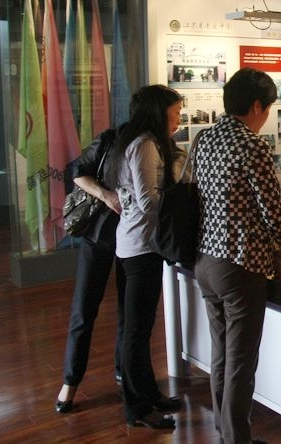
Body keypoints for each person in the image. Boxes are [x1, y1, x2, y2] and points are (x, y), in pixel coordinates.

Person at [193, 67, 281, 444]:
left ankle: (225, 430)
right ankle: (236, 439)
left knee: (221, 354)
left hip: (205, 259)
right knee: (240, 363)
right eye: (268, 108)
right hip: (240, 263)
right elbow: (271, 208)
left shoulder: (205, 137)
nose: (266, 116)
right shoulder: (253, 145)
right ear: (255, 106)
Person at [107, 84, 185, 429]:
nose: (178, 119)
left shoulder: (140, 142)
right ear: (159, 112)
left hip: (137, 244)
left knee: (138, 328)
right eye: (175, 112)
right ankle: (136, 407)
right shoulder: (145, 145)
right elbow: (148, 201)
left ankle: (149, 394)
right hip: (141, 246)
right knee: (136, 331)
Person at [55, 127, 124, 414]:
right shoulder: (112, 139)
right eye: (175, 113)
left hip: (135, 238)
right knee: (83, 308)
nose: (177, 121)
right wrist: (106, 195)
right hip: (98, 233)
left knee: (129, 311)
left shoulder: (159, 145)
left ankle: (124, 371)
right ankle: (70, 381)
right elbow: (78, 172)